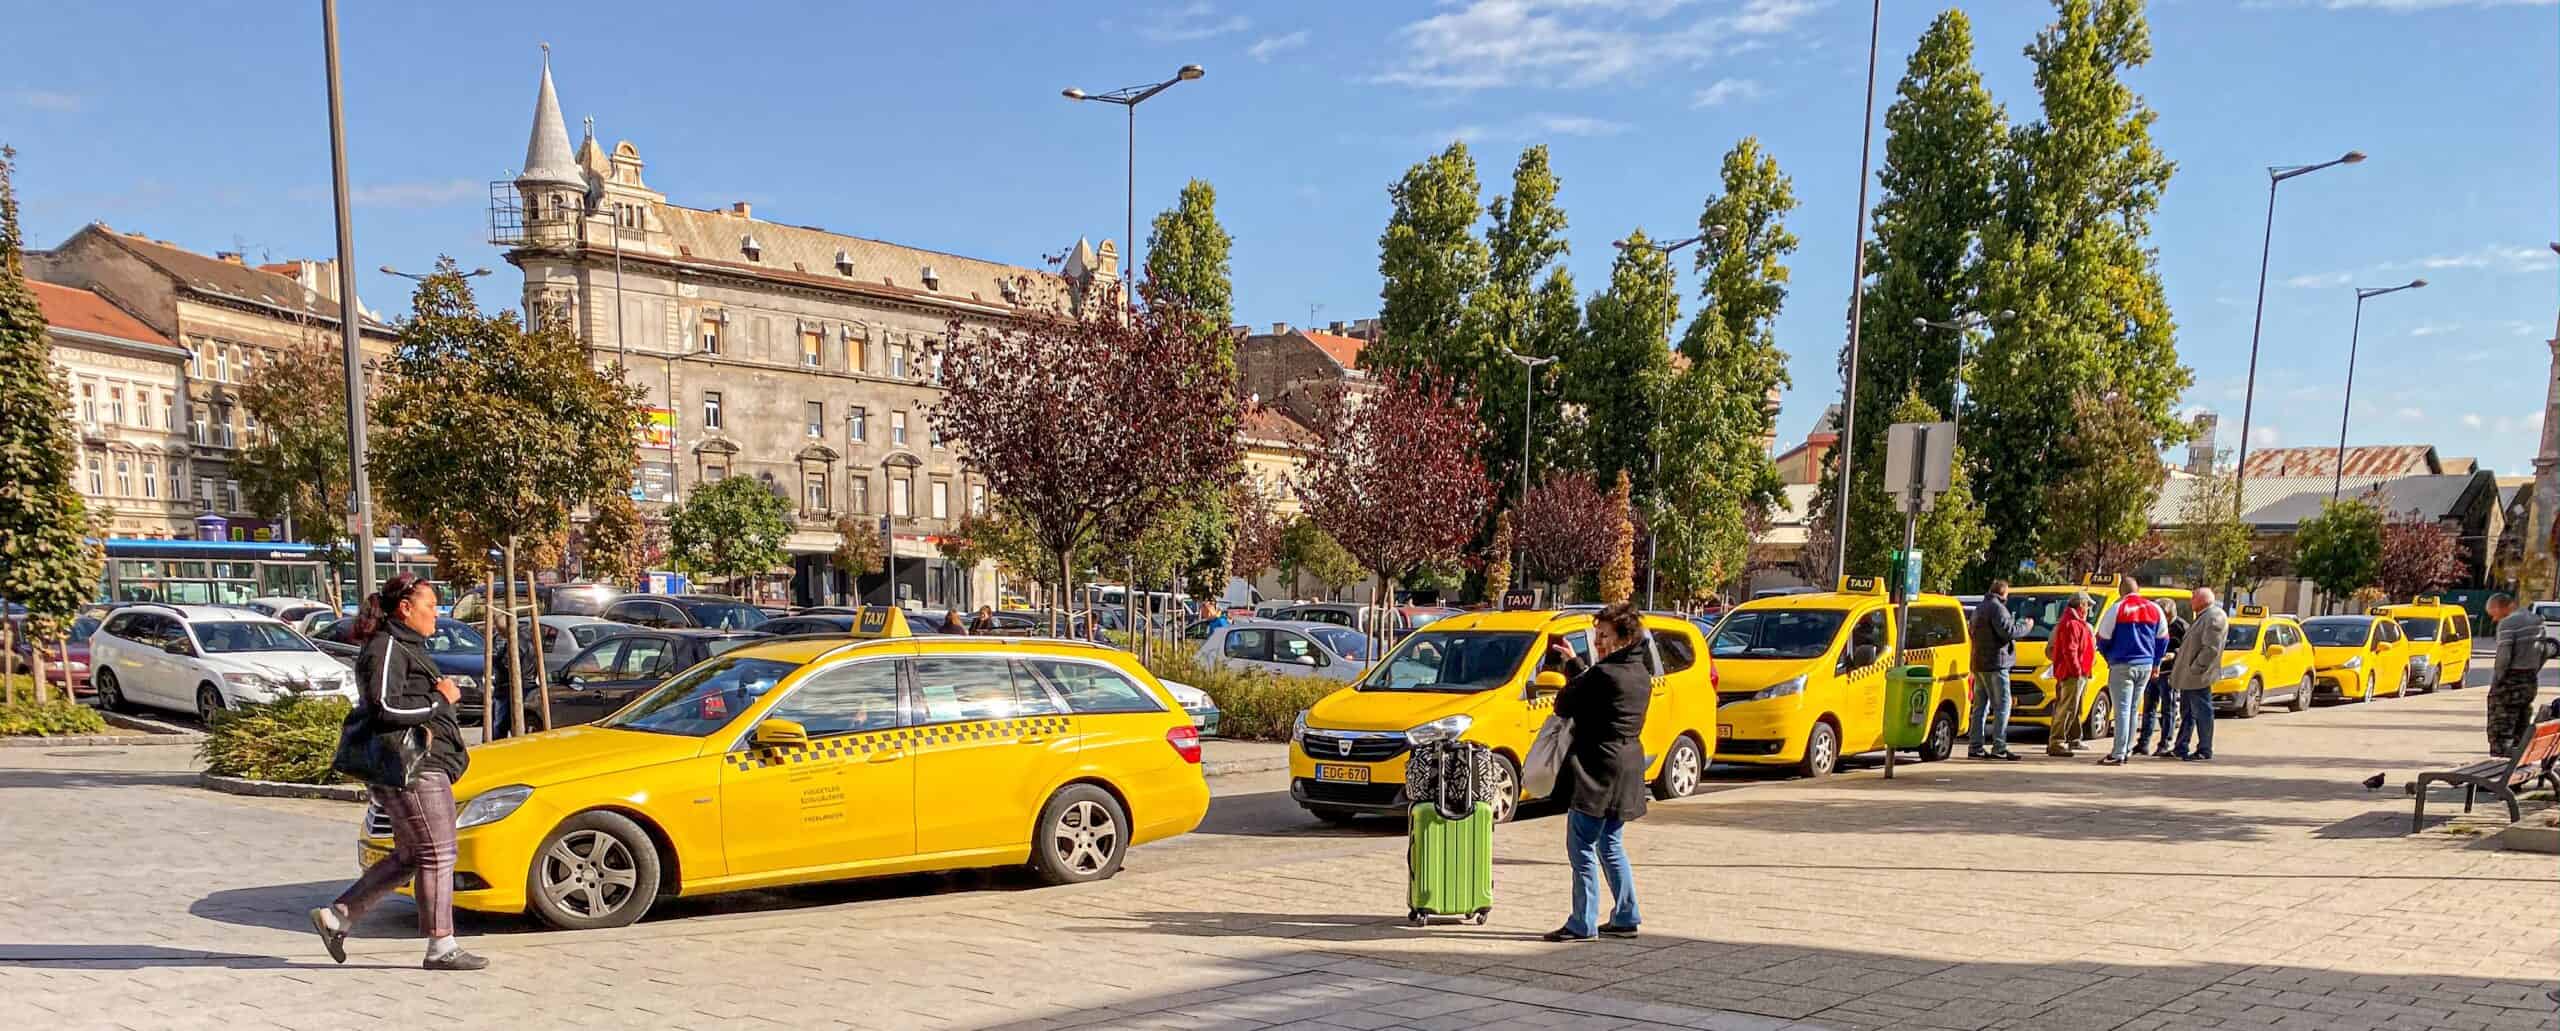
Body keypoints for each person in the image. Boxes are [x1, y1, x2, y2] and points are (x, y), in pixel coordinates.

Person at [310, 573, 486, 971]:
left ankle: (338, 916)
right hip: (412, 766)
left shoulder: (403, 644)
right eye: (430, 607)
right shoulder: (386, 646)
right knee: (440, 852)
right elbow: (384, 709)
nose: (436, 617)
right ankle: (442, 946)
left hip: (417, 765)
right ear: (405, 608)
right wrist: (438, 700)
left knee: (411, 854)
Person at [1541, 602, 1651, 943]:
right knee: (1611, 842)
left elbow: (1565, 702)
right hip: (1627, 762)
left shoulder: (1605, 674)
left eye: (1603, 636)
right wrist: (1578, 663)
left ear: (1623, 638)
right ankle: (1626, 914)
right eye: (1596, 635)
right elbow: (1592, 688)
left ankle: (1582, 922)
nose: (1599, 641)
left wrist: (1573, 668)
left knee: (1582, 846)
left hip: (1597, 767)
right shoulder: (1639, 673)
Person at [2094, 578, 2167, 766]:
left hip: (2122, 664)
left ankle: (2118, 753)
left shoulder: (2117, 608)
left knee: (2122, 710)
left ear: (2121, 591)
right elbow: (2163, 639)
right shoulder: (2155, 608)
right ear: (2138, 589)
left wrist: (2109, 656)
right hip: (2145, 664)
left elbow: (2102, 637)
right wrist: (2156, 662)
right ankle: (2126, 748)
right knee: (2134, 709)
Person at [2167, 587, 2227, 761]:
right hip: (2189, 676)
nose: (2191, 600)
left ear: (2203, 599)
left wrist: (2197, 668)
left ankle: (2204, 749)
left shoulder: (2214, 616)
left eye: (2194, 597)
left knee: (2202, 712)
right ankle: (2181, 747)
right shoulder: (2203, 616)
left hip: (2198, 676)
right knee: (2187, 712)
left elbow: (2211, 648)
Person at [1966, 580, 2019, 761]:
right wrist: (2026, 626)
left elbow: (1972, 631)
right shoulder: (1998, 608)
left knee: (1980, 706)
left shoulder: (1979, 608)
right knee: (2002, 705)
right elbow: (2008, 631)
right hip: (1996, 664)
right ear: (2003, 593)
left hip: (1979, 663)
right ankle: (1999, 747)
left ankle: (1975, 746)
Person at [2486, 593, 2542, 757]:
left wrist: (2498, 680)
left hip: (2510, 684)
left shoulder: (2508, 623)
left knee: (2500, 732)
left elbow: (2503, 656)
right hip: (2530, 681)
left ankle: (2498, 772)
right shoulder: (2536, 621)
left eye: (2493, 614)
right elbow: (2544, 650)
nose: (2494, 620)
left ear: (2501, 607)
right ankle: (2516, 770)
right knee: (2521, 728)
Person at [2047, 594, 2096, 758]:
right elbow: (2070, 650)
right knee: (2066, 708)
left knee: (2073, 708)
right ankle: (2057, 742)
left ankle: (2067, 739)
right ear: (2081, 605)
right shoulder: (2071, 624)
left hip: (2077, 672)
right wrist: (2077, 671)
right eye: (2087, 605)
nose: (2089, 609)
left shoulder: (2074, 622)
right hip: (2072, 673)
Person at [2136, 613, 2189, 756]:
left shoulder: (2181, 626)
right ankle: (2143, 743)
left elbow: (2187, 648)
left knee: (2168, 709)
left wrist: (2174, 654)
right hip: (2153, 670)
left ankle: (2165, 743)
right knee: (2149, 708)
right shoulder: (2155, 623)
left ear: (2169, 614)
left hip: (2169, 673)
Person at [486, 618, 547, 740]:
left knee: (500, 725)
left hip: (509, 688)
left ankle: (498, 749)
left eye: (499, 630)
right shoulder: (528, 638)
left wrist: (494, 659)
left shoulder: (514, 644)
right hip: (528, 685)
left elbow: (507, 666)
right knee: (515, 722)